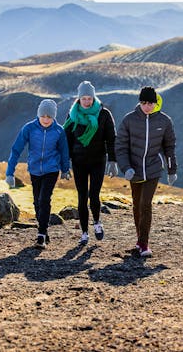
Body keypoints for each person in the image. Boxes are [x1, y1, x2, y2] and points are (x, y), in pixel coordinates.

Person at [115, 86, 177, 257]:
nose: (147, 106)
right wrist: (125, 167)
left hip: (153, 169)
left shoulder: (164, 121)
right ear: (139, 102)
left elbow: (169, 147)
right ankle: (139, 240)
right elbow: (120, 146)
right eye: (144, 103)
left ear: (156, 103)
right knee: (136, 206)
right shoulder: (129, 120)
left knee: (145, 204)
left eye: (150, 103)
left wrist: (172, 170)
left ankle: (144, 244)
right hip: (133, 170)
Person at [6, 99, 71, 249]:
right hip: (34, 170)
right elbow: (16, 150)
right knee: (36, 201)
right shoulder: (29, 128)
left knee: (44, 199)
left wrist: (65, 169)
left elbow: (64, 151)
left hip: (51, 169)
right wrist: (10, 173)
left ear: (54, 117)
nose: (46, 120)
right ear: (38, 115)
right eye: (44, 116)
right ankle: (44, 228)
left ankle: (41, 235)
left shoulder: (59, 131)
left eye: (50, 117)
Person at [63, 81, 118, 245]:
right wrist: (64, 164)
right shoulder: (72, 115)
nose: (86, 102)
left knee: (93, 195)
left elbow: (111, 138)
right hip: (78, 162)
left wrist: (113, 160)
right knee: (81, 197)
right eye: (83, 98)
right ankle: (84, 233)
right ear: (78, 99)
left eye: (89, 98)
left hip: (98, 161)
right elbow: (66, 140)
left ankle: (97, 223)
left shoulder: (103, 114)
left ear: (94, 98)